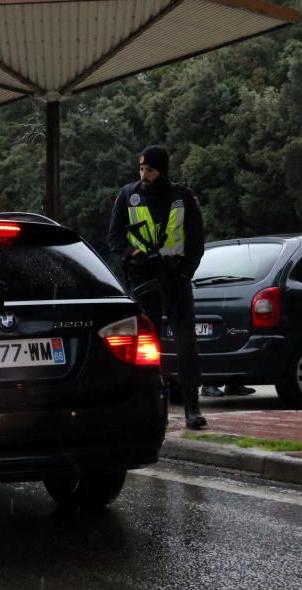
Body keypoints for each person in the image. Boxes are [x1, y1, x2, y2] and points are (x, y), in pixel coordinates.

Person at [108, 145, 207, 429]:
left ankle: (192, 407)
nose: (143, 174)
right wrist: (135, 257)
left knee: (187, 342)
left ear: (161, 170)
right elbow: (114, 238)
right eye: (140, 169)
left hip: (175, 277)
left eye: (149, 169)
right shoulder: (128, 195)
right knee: (145, 345)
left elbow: (196, 239)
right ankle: (145, 405)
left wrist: (185, 272)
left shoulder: (182, 197)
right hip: (144, 279)